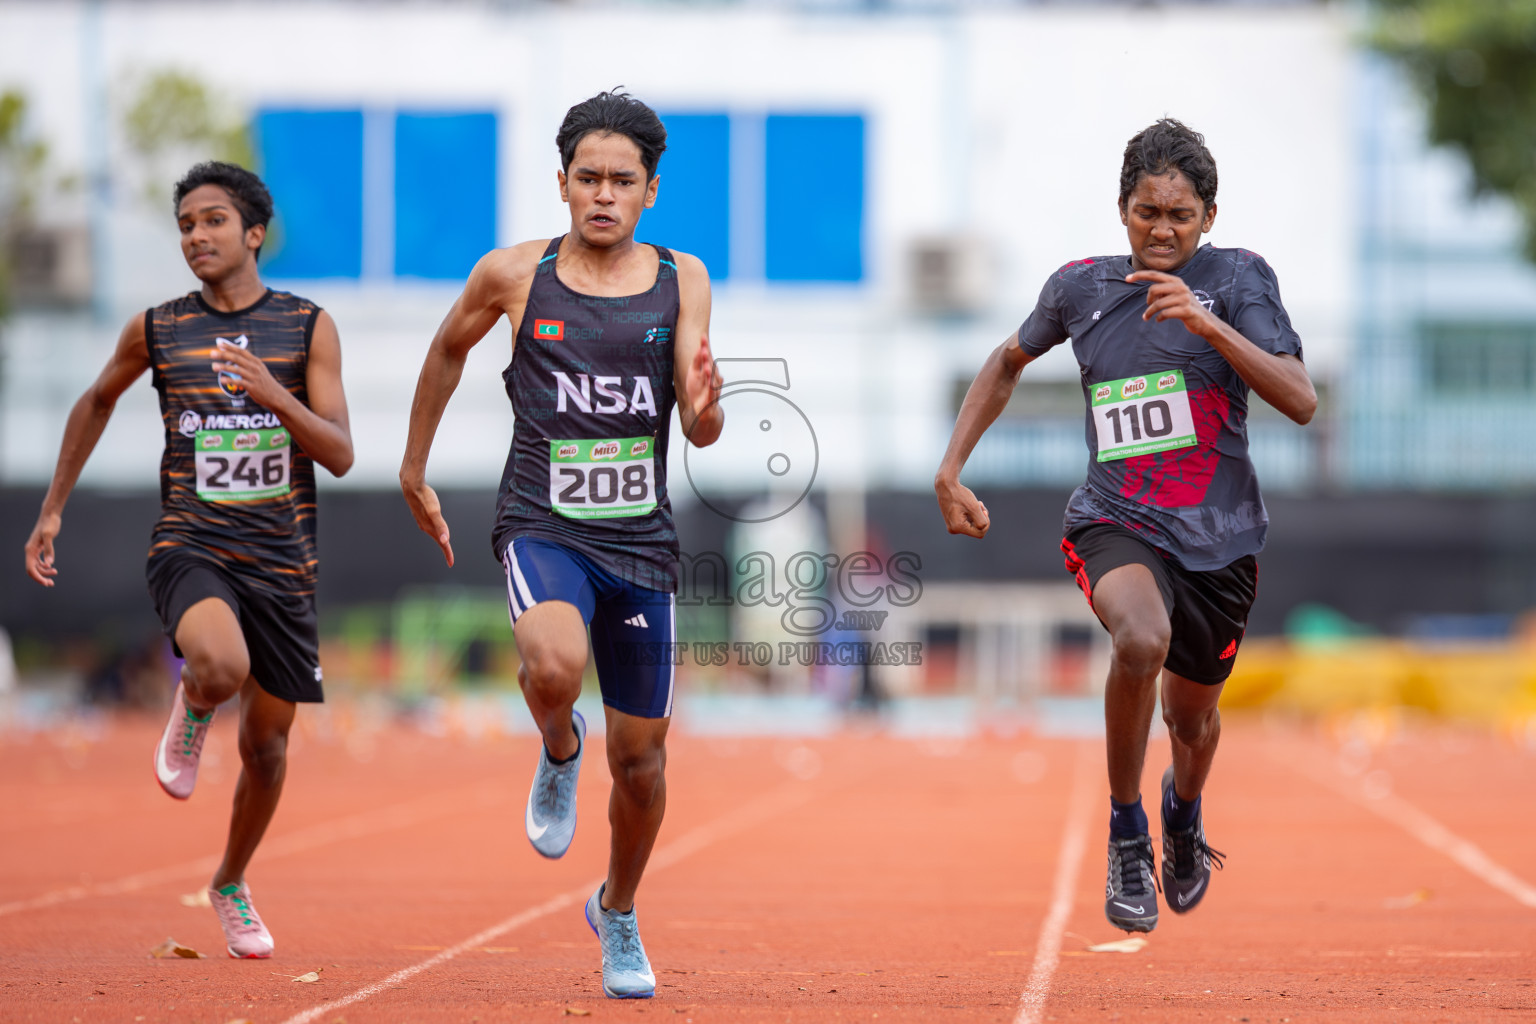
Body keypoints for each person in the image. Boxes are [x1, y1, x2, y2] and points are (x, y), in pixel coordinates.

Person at [935, 119, 1315, 933]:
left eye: (1180, 215)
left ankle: (1183, 811)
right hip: (1117, 519)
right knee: (1138, 640)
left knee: (1193, 720)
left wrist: (1209, 326)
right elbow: (1006, 362)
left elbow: (1301, 399)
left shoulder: (1242, 279)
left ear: (1209, 217)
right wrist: (950, 467)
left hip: (1222, 538)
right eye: (1148, 212)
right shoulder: (1080, 287)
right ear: (1122, 210)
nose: (1163, 229)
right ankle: (1126, 829)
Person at [399, 90, 722, 999]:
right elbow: (445, 352)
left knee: (646, 762)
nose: (605, 194)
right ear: (563, 182)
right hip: (542, 524)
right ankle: (557, 746)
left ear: (651, 191)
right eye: (589, 178)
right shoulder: (512, 275)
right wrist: (413, 468)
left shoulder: (682, 278)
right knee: (551, 664)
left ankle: (616, 909)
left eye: (624, 180)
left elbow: (700, 429)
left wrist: (706, 404)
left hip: (642, 546)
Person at [24, 161, 353, 958]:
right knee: (218, 663)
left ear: (253, 234)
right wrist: (54, 506)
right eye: (185, 225)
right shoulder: (158, 328)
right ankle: (195, 706)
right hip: (193, 543)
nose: (195, 237)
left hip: (283, 561)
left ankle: (231, 882)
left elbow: (340, 453)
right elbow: (97, 399)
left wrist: (275, 397)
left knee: (268, 749)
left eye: (211, 221)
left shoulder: (308, 326)